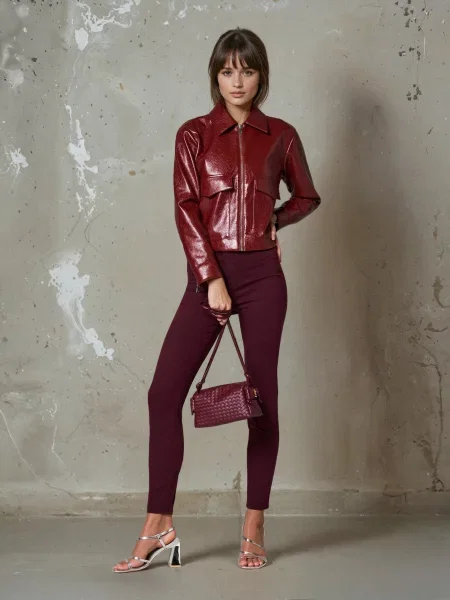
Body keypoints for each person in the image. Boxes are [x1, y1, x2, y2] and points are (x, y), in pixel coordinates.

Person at [112, 27, 321, 573]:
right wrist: (210, 278)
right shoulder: (193, 135)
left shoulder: (282, 135)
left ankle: (254, 526)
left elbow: (307, 195)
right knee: (163, 394)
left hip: (264, 277)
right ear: (216, 76)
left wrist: (276, 221)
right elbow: (185, 208)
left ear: (261, 75)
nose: (237, 81)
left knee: (263, 401)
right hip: (211, 276)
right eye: (228, 71)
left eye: (247, 70)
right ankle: (159, 525)